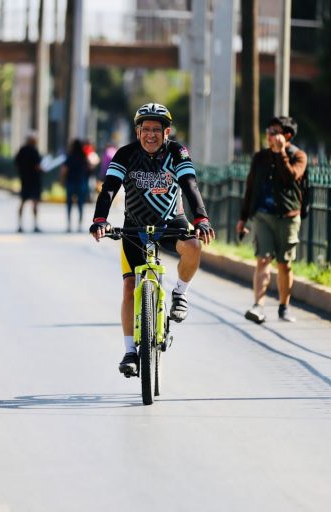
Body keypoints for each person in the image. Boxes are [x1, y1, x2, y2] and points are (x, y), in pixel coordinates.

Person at [89, 103, 215, 377]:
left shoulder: (176, 152)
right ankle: (130, 351)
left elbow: (190, 185)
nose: (150, 135)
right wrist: (100, 219)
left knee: (194, 246)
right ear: (137, 131)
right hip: (135, 228)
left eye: (156, 130)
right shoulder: (125, 154)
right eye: (145, 129)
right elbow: (109, 189)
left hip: (172, 223)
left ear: (166, 132)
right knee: (129, 286)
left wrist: (201, 219)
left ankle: (180, 293)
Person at [236, 116, 307, 324]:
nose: (270, 136)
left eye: (275, 132)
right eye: (268, 131)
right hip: (262, 216)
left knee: (285, 264)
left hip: (288, 217)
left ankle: (284, 306)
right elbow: (251, 187)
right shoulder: (260, 157)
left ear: (287, 135)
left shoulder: (298, 156)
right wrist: (243, 218)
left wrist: (281, 154)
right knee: (263, 259)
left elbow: (290, 177)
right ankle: (258, 305)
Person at [59, 138, 91, 233]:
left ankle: (69, 225)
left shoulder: (70, 156)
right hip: (81, 182)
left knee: (69, 204)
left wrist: (62, 180)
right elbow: (89, 167)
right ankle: (79, 225)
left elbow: (64, 169)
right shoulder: (84, 156)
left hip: (71, 182)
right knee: (80, 204)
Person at [14, 133, 43, 233]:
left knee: (22, 202)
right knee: (34, 203)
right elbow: (38, 166)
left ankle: (20, 225)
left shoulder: (22, 150)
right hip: (34, 180)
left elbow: (16, 163)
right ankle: (35, 225)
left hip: (24, 180)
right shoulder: (34, 151)